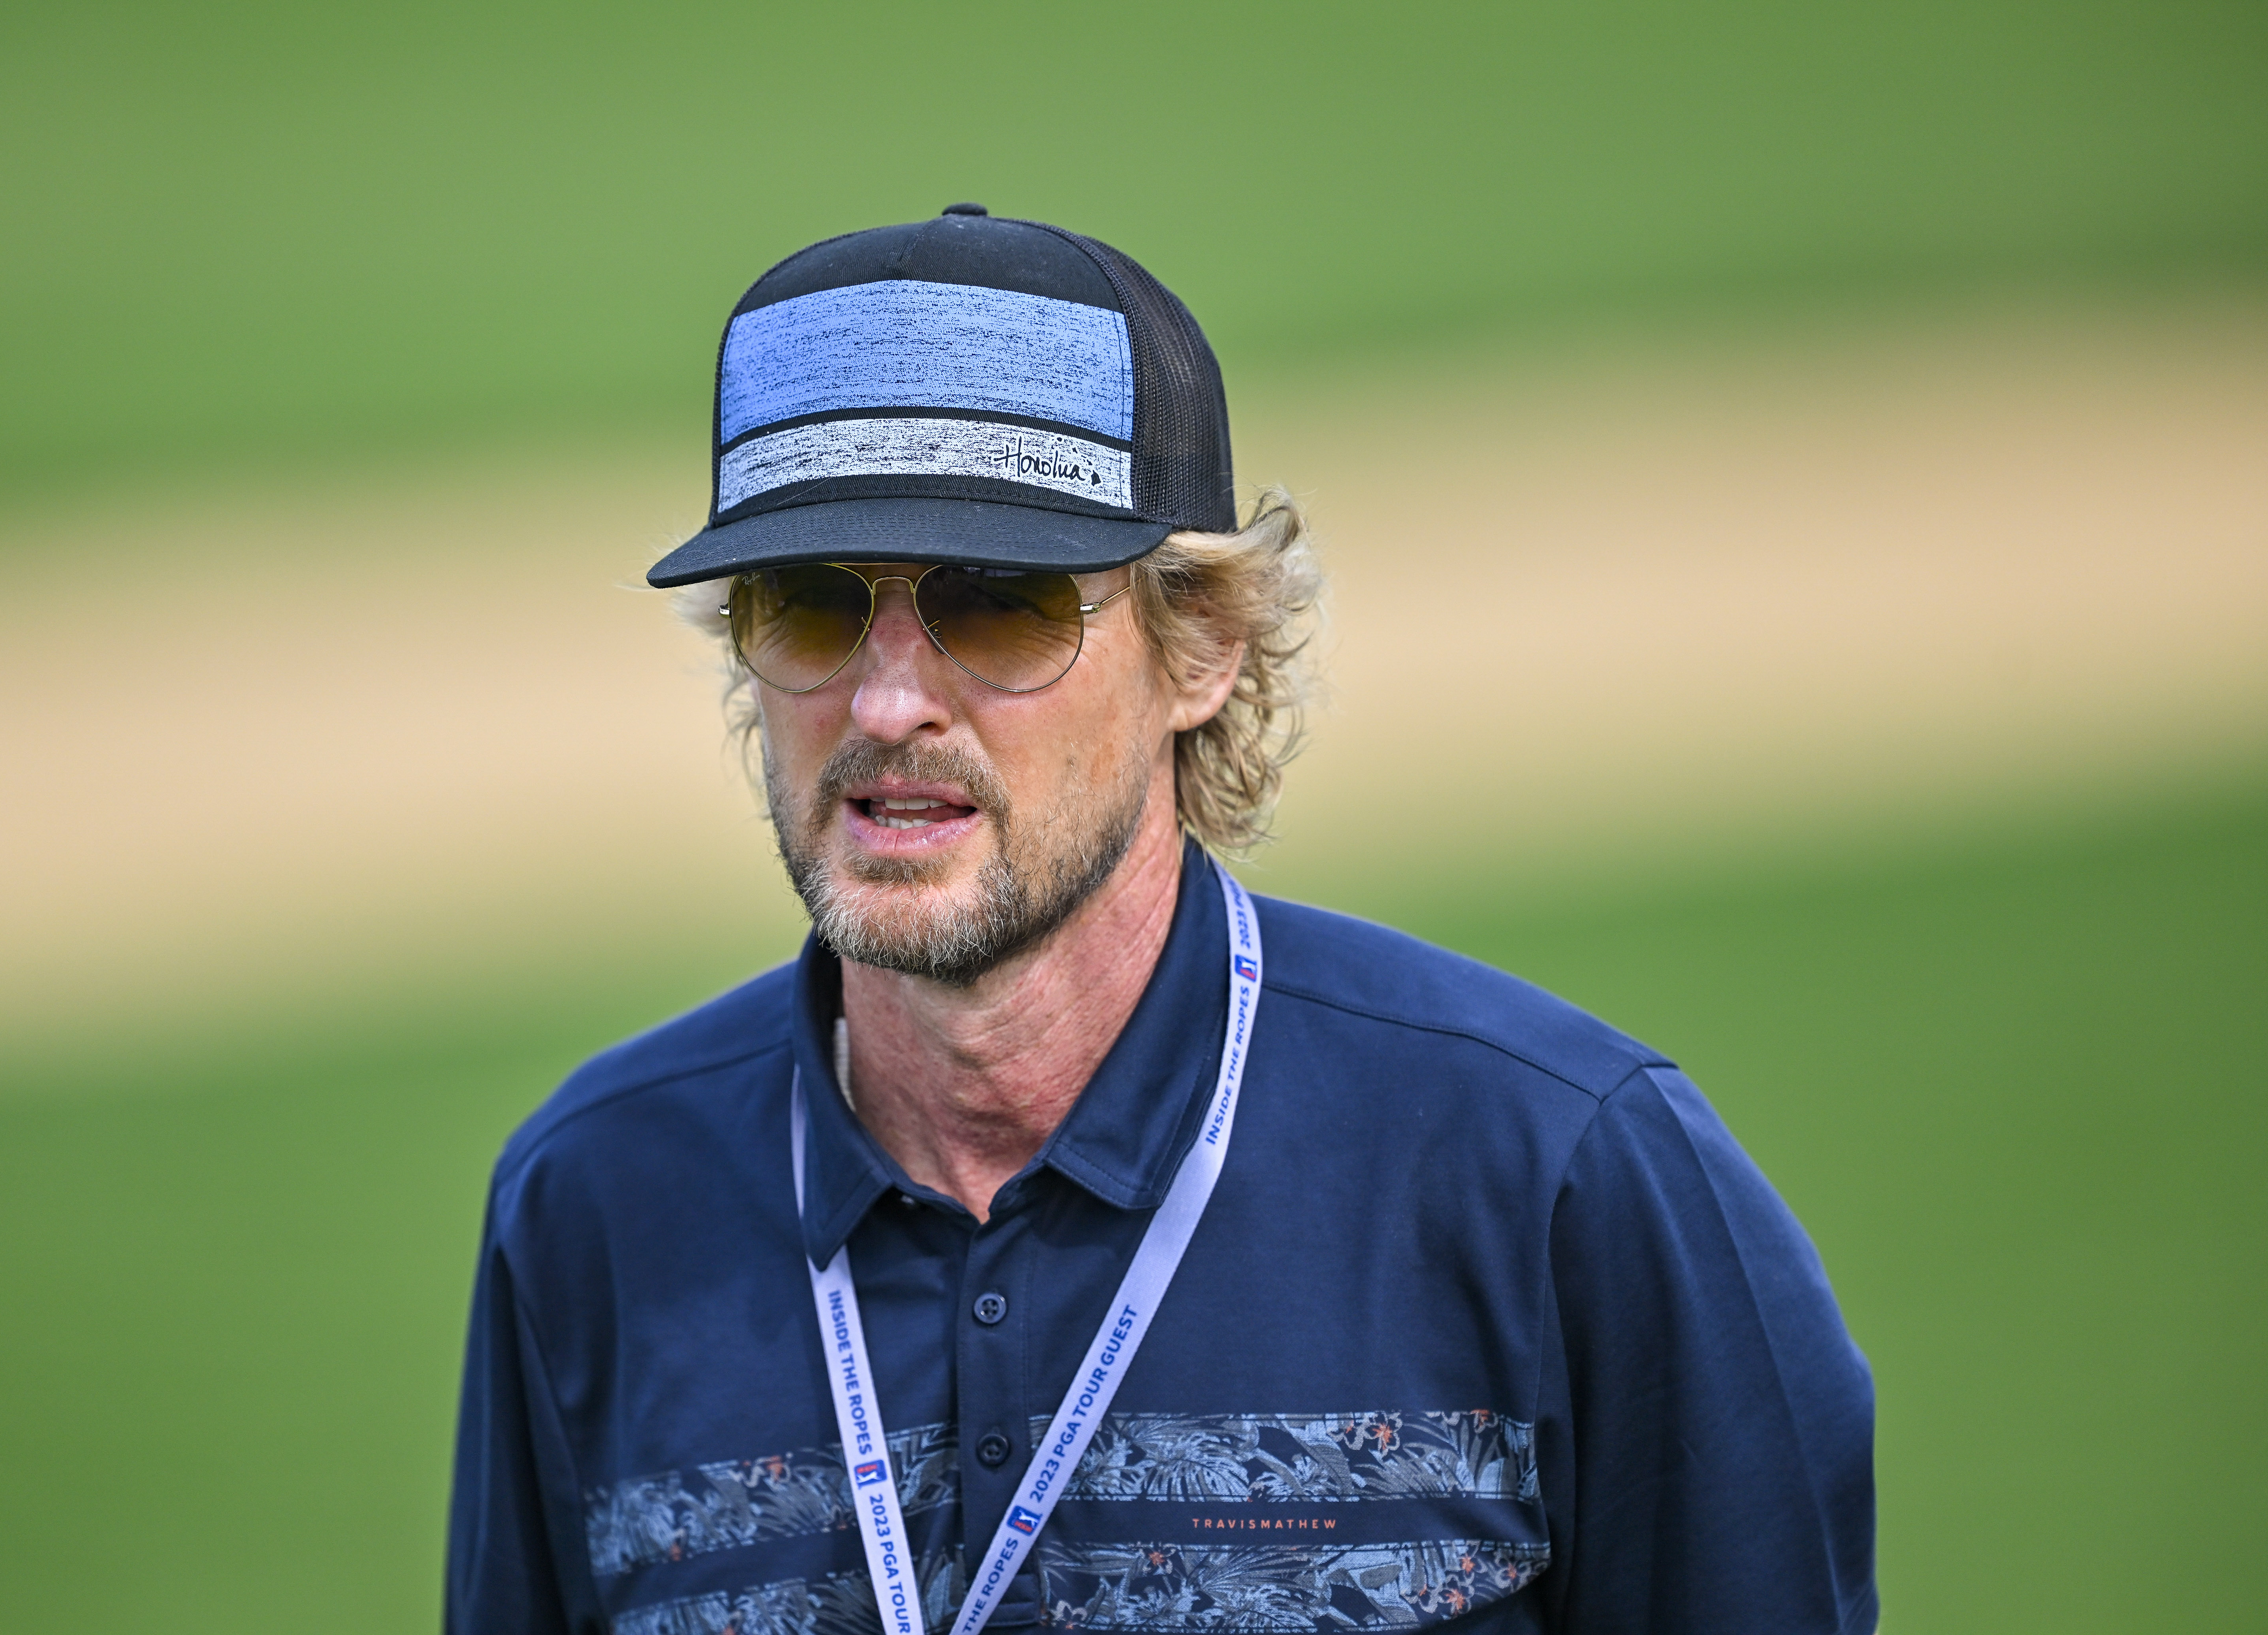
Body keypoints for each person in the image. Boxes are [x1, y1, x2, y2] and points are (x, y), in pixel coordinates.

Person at [445, 205, 1877, 1635]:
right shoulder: (595, 1210)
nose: (886, 706)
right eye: (813, 607)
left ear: (1200, 649)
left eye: (999, 605)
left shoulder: (1561, 1173)